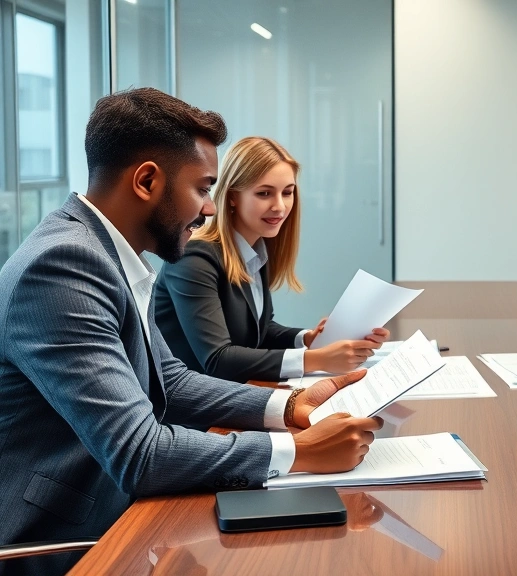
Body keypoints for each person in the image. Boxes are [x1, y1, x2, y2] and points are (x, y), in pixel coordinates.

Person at [0, 88, 382, 575]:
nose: (208, 209)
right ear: (146, 182)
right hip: (63, 544)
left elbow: (171, 380)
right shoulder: (64, 266)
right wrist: (298, 451)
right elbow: (140, 453)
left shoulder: (105, 254)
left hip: (117, 515)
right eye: (203, 188)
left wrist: (286, 407)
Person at [154, 136, 389, 383]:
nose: (280, 206)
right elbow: (218, 359)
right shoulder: (195, 258)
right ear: (232, 196)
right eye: (265, 193)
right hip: (190, 412)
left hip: (232, 395)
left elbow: (259, 331)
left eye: (287, 193)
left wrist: (310, 338)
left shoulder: (254, 248)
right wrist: (316, 359)